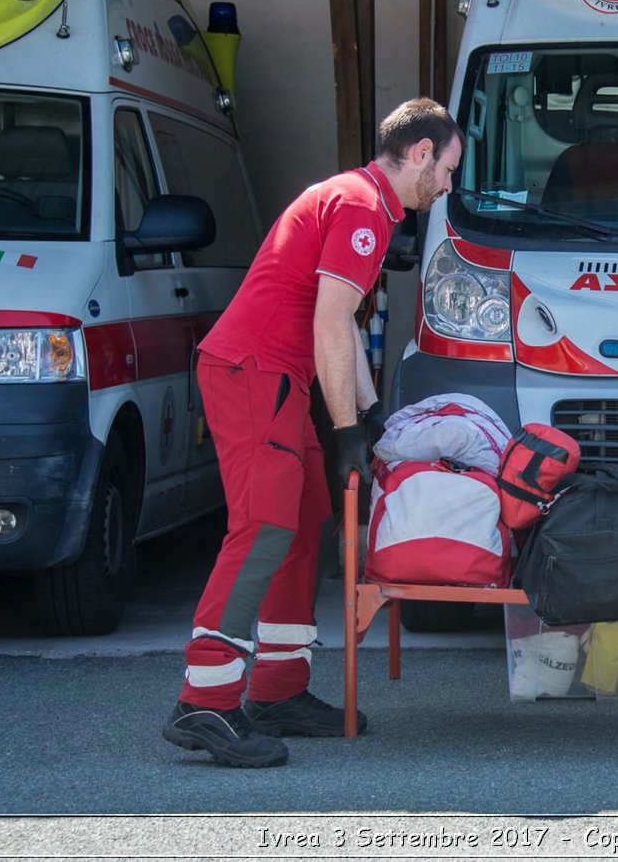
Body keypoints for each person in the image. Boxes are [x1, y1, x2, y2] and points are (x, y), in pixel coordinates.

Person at [162, 98, 462, 767]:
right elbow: (331, 323)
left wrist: (370, 411)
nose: (446, 186)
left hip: (274, 375)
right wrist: (346, 429)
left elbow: (345, 325)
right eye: (446, 169)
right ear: (419, 153)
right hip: (253, 371)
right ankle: (204, 702)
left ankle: (277, 689)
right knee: (265, 524)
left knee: (304, 516)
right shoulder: (360, 209)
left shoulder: (361, 203)